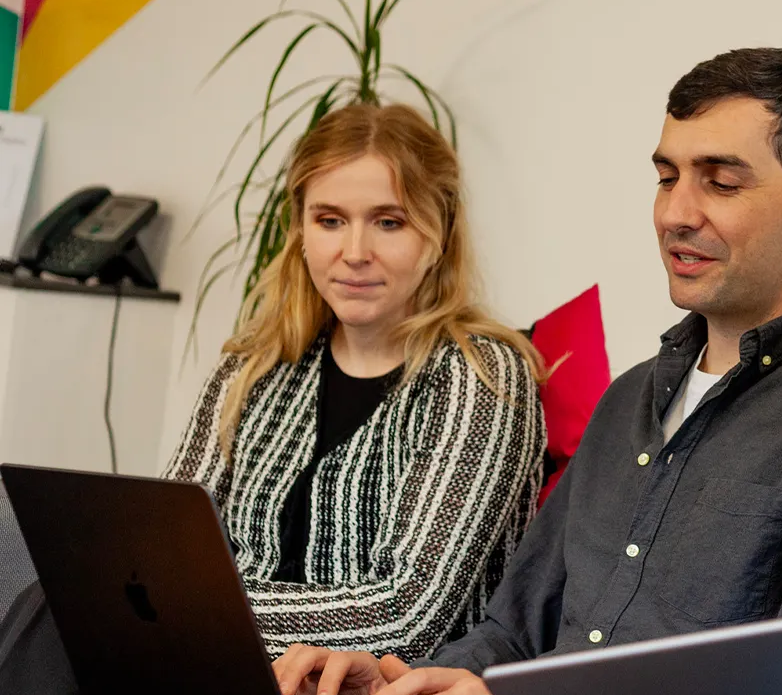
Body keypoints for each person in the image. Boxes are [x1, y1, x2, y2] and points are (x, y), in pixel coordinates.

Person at [72, 48, 782, 695]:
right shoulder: (631, 400)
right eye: (665, 177)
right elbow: (509, 631)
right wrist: (388, 693)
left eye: (720, 183)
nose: (676, 214)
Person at [169, 101, 547, 659]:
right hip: (221, 675)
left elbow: (405, 618)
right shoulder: (254, 365)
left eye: (388, 222)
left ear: (438, 234)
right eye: (330, 220)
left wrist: (193, 611)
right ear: (299, 230)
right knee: (49, 608)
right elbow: (167, 547)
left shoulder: (480, 378)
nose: (353, 253)